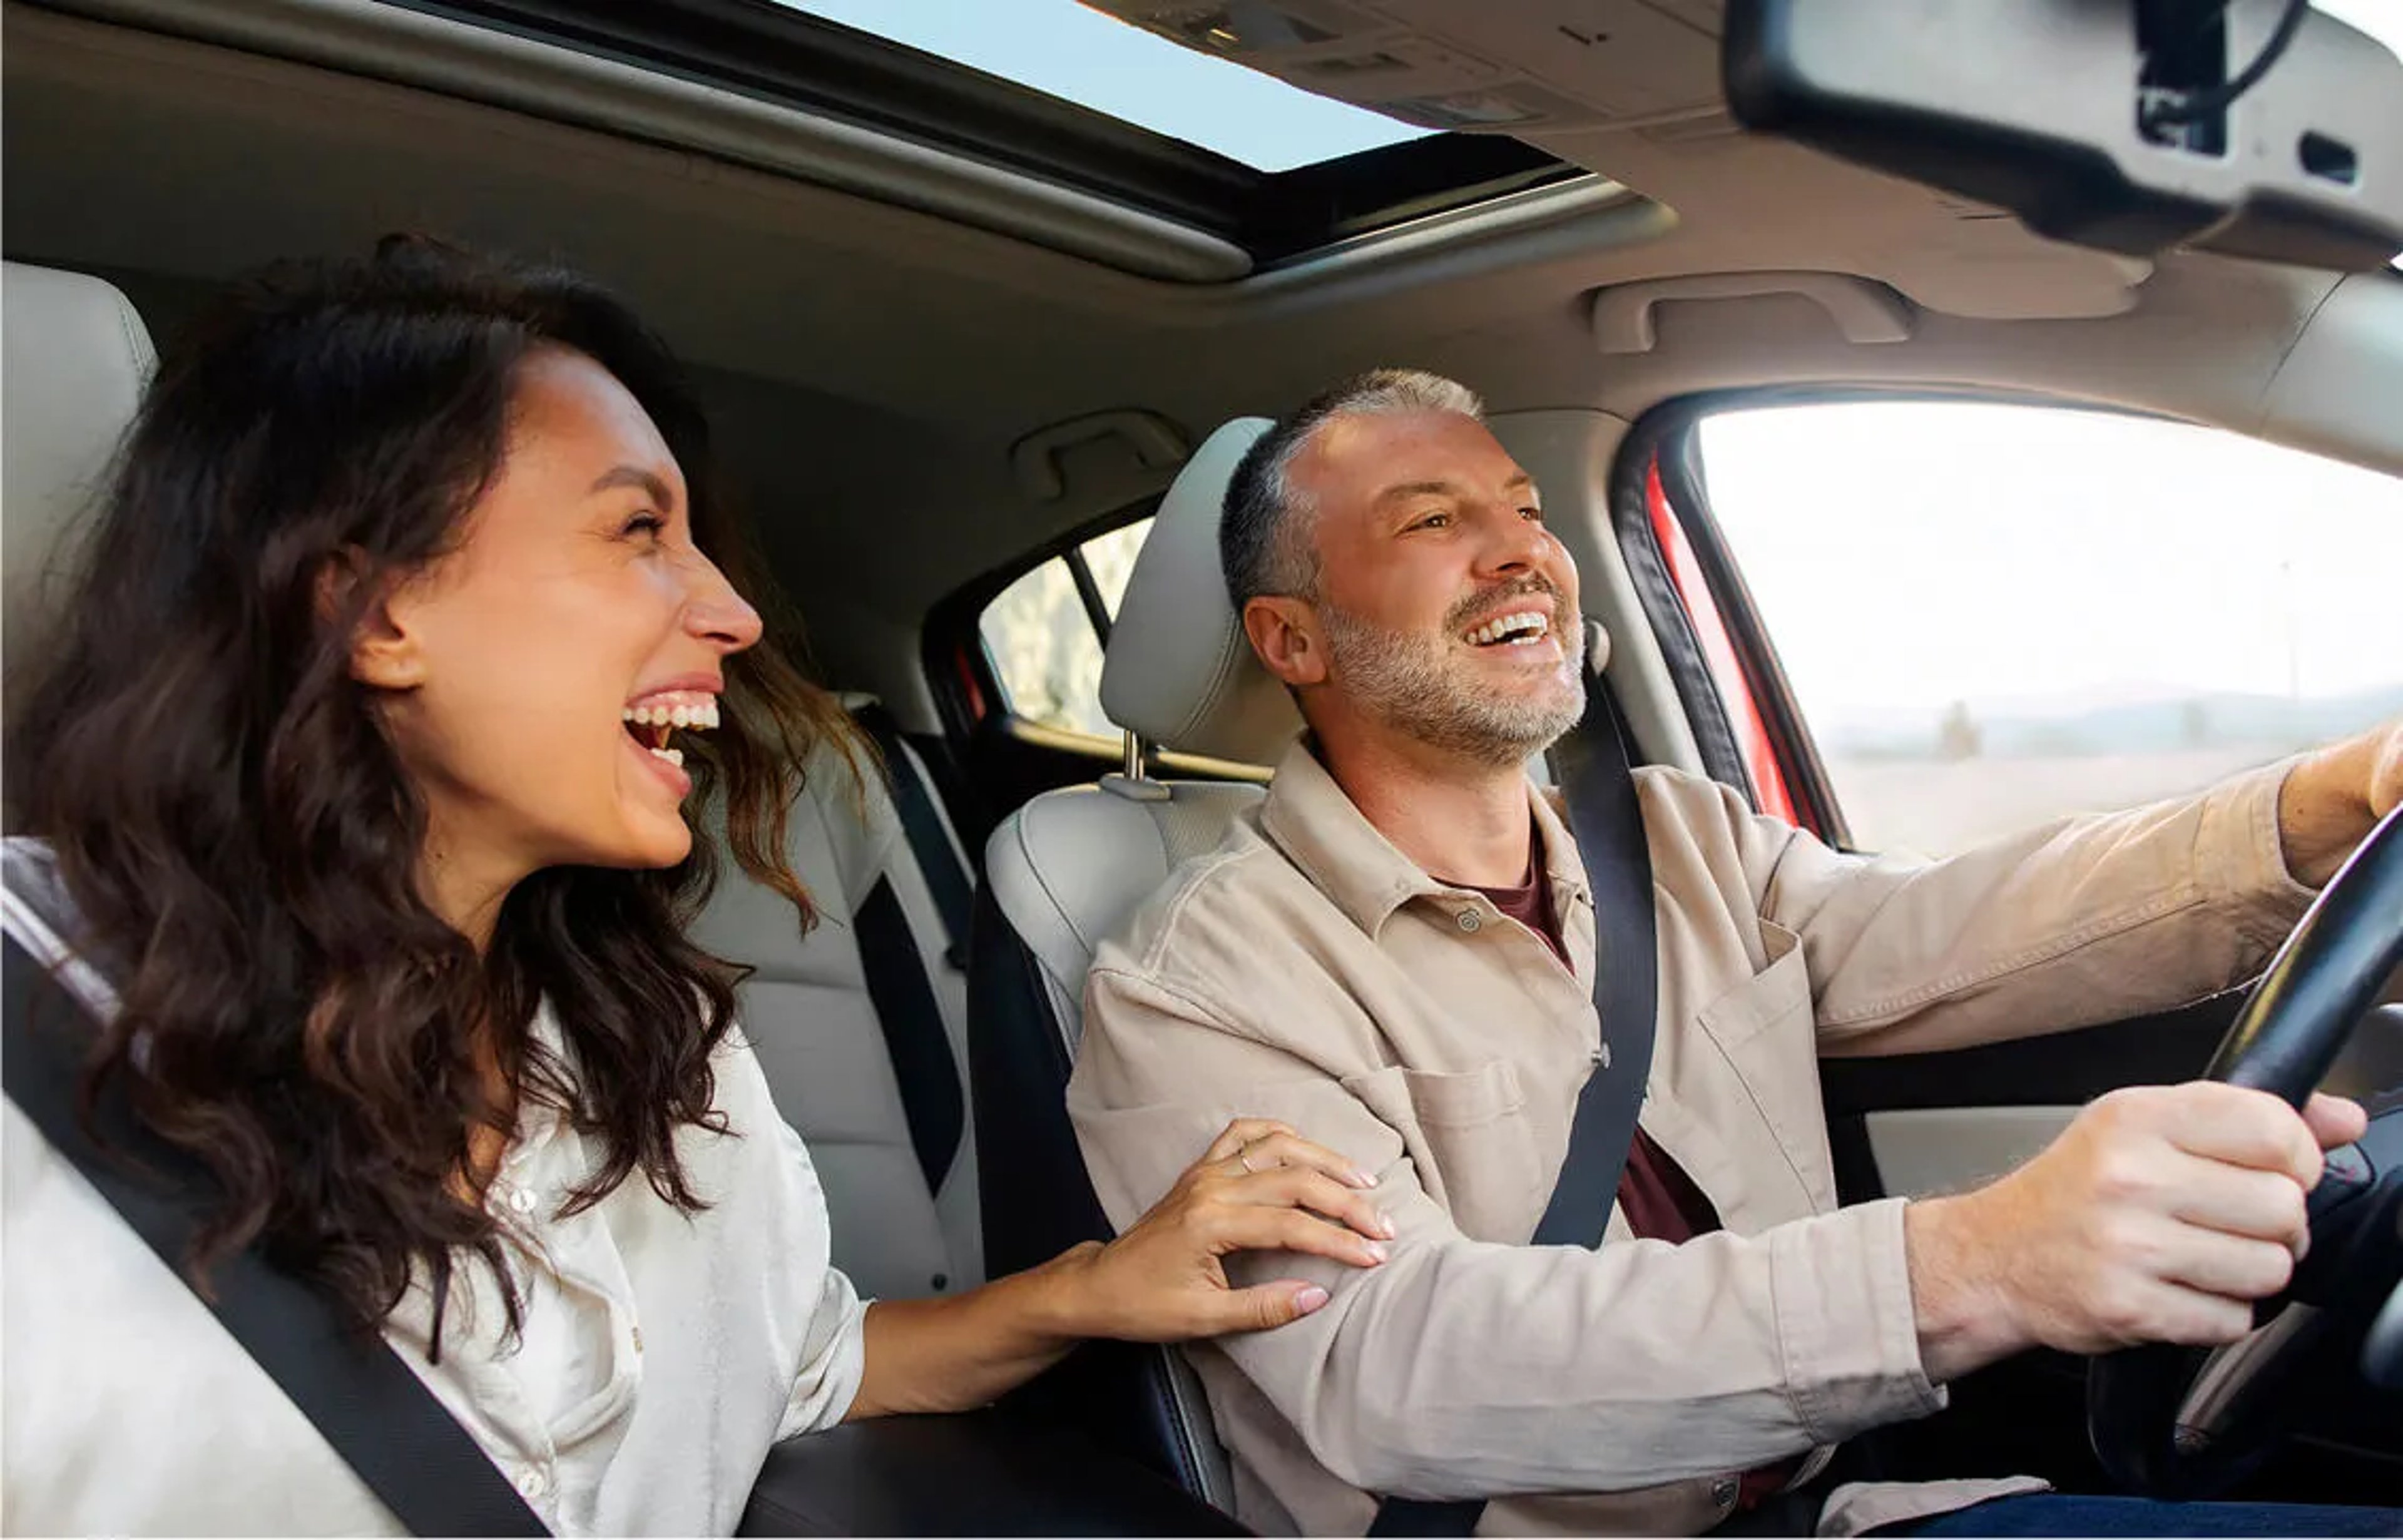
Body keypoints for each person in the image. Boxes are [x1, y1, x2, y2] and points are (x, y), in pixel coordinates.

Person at [0, 242, 1395, 1536]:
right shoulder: (37, 1034)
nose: (730, 610)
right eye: (636, 533)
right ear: (374, 610)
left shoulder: (665, 1056)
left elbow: (801, 1364)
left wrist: (1096, 1286)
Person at [1066, 370, 2403, 1537]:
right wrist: (1975, 1261)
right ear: (1292, 638)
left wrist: (2325, 805)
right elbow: (1396, 1361)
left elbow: (1965, 923)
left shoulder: (1675, 837)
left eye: (1526, 508)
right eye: (1434, 519)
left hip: (1843, 1511)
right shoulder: (1200, 982)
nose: (1522, 551)